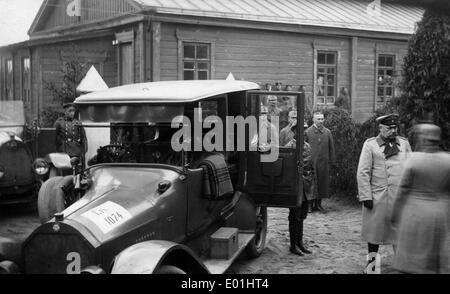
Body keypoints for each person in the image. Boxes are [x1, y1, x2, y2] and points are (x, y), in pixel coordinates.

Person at [356, 113, 412, 274]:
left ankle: (401, 264)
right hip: (378, 197)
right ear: (380, 128)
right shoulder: (371, 145)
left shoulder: (404, 144)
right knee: (374, 235)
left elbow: (410, 169)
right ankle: (372, 266)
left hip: (399, 197)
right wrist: (366, 196)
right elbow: (363, 172)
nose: (393, 130)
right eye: (389, 128)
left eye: (395, 127)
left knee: (400, 233)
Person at [391, 123, 450, 274]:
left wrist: (394, 214)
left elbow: (402, 190)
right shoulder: (447, 160)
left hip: (415, 214)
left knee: (413, 255)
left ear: (423, 139)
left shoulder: (414, 159)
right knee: (434, 255)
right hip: (440, 213)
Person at [287, 118, 313, 255]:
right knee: (294, 216)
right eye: (299, 130)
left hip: (306, 186)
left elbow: (310, 166)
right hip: (295, 186)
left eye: (304, 129)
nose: (302, 132)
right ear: (295, 131)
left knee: (302, 215)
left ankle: (300, 242)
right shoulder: (290, 146)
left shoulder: (307, 146)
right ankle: (293, 245)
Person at [305, 111, 335, 213]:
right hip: (310, 164)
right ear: (313, 120)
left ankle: (318, 204)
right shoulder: (308, 132)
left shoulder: (327, 132)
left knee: (322, 184)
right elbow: (303, 149)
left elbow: (331, 148)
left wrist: (332, 162)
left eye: (322, 119)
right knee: (311, 185)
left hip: (323, 164)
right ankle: (309, 205)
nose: (320, 121)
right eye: (318, 119)